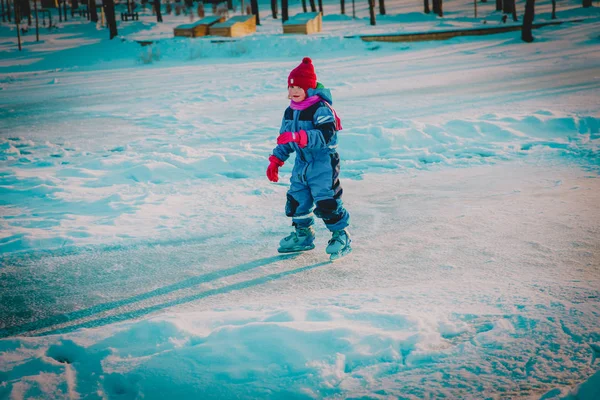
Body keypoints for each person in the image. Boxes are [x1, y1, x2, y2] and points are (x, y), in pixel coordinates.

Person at [266, 57, 351, 260]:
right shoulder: (290, 111)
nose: (293, 91)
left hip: (323, 162)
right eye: (291, 86)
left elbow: (327, 135)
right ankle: (303, 235)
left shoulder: (321, 108)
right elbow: (286, 139)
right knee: (297, 200)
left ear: (309, 87)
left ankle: (341, 235)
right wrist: (276, 160)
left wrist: (300, 137)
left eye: (298, 87)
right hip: (302, 163)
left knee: (326, 200)